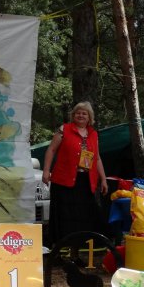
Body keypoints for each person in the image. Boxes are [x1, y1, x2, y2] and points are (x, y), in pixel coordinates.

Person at [42, 101, 109, 246]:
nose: (81, 115)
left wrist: (103, 179)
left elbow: (96, 158)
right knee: (63, 216)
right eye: (78, 112)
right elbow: (51, 150)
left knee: (82, 216)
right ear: (73, 115)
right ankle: (58, 251)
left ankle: (75, 252)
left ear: (89, 117)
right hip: (63, 181)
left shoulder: (93, 134)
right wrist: (46, 171)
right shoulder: (64, 129)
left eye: (84, 113)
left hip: (85, 181)